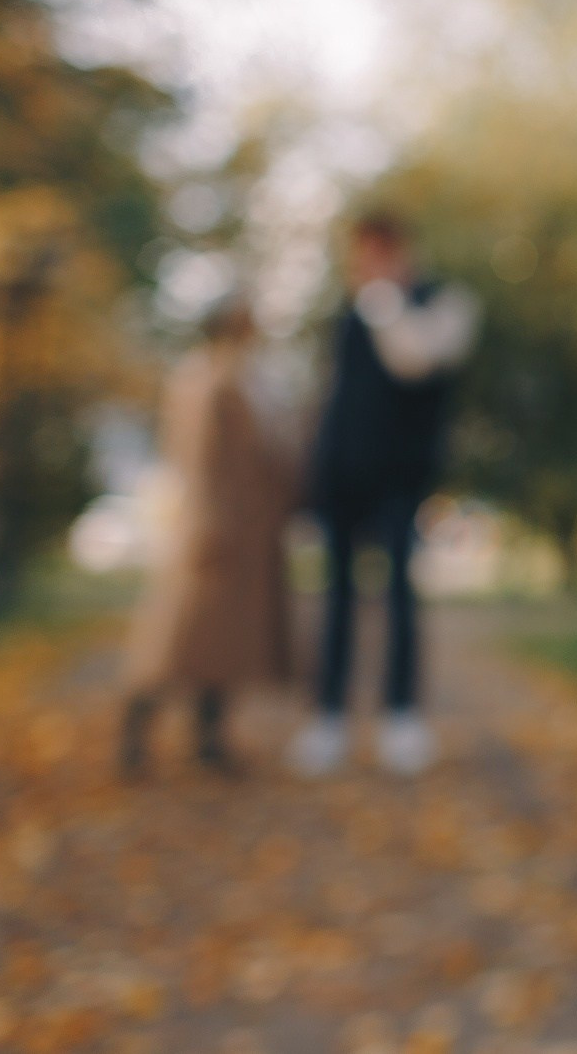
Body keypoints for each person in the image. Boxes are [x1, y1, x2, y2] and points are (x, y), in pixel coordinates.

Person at [287, 211, 479, 778]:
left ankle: (402, 716)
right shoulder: (349, 314)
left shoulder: (443, 303)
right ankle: (330, 718)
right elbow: (331, 393)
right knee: (337, 602)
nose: (365, 266)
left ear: (400, 250)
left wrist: (385, 304)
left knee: (398, 597)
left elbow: (417, 361)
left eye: (376, 253)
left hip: (400, 478)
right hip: (341, 476)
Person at [119, 295, 294, 777]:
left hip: (245, 531)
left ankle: (209, 738)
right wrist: (206, 522)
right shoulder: (205, 379)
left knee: (223, 640)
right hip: (213, 528)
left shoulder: (244, 378)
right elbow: (197, 461)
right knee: (179, 634)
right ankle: (134, 735)